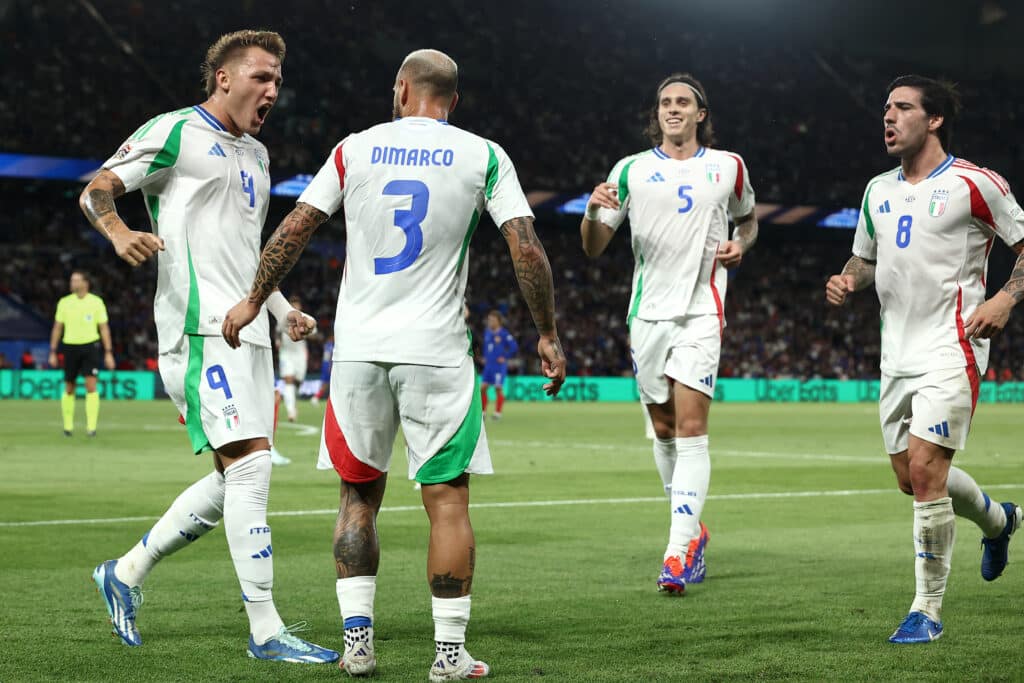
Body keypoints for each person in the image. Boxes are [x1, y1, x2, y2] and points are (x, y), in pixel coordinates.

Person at [222, 48, 566, 680]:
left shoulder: (356, 147)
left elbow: (294, 228)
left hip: (356, 350)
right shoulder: (483, 154)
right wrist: (546, 332)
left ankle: (358, 644)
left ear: (402, 90)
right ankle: (449, 655)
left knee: (358, 497)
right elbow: (527, 249)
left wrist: (252, 301)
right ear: (452, 101)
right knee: (447, 502)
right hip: (435, 351)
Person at [77, 29, 336, 663]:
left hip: (247, 333)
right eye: (261, 77)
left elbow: (245, 252)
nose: (272, 89)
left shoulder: (258, 154)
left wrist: (280, 309)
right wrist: (117, 231)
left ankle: (126, 572)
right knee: (249, 468)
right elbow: (96, 189)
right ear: (223, 78)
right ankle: (267, 631)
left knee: (235, 477)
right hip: (197, 331)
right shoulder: (174, 131)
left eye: (278, 79)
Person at [825, 75, 1024, 644]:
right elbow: (865, 259)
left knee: (926, 469)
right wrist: (847, 279)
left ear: (934, 120)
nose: (888, 118)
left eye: (903, 108)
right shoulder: (876, 191)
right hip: (896, 354)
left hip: (952, 345)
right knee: (911, 481)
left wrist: (1006, 298)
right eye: (885, 109)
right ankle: (999, 520)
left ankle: (926, 611)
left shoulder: (974, 183)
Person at [581, 73, 757, 595]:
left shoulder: (729, 167)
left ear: (701, 114)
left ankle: (677, 552)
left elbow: (747, 221)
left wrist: (741, 244)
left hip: (702, 311)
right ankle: (693, 529)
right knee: (663, 429)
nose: (672, 109)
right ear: (656, 113)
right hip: (647, 315)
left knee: (691, 427)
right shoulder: (630, 170)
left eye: (683, 102)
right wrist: (592, 209)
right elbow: (593, 247)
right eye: (664, 102)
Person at [48, 270, 116, 436]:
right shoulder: (64, 302)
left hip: (90, 346)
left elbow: (104, 328)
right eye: (71, 280)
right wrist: (53, 351)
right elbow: (57, 327)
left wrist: (108, 352)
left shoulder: (96, 302)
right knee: (69, 387)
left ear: (85, 283)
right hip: (70, 346)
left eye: (75, 280)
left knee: (91, 386)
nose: (72, 283)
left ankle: (91, 428)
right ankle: (67, 427)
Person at [480, 310, 518, 420]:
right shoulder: (487, 332)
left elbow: (514, 346)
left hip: (498, 366)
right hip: (488, 366)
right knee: (482, 388)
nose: (490, 322)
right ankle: (483, 412)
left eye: (493, 320)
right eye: (489, 320)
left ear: (499, 321)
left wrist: (505, 356)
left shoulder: (504, 334)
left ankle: (497, 413)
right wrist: (485, 357)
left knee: (498, 388)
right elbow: (486, 347)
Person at [277, 294, 309, 421]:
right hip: (286, 353)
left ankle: (292, 403)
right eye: (292, 303)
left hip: (300, 354)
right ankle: (291, 411)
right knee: (288, 380)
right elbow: (278, 331)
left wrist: (308, 332)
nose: (295, 306)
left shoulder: (306, 318)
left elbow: (314, 334)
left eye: (297, 303)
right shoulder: (284, 318)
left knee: (298, 381)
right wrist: (278, 341)